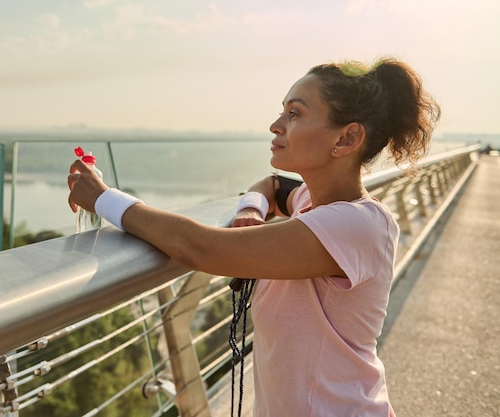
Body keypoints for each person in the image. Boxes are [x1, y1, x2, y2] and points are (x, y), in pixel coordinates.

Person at [68, 56, 440, 416]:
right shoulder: (314, 201)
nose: (276, 125)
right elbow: (274, 185)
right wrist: (251, 208)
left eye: (295, 114)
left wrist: (104, 198)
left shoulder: (357, 224)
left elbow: (200, 248)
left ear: (347, 138)